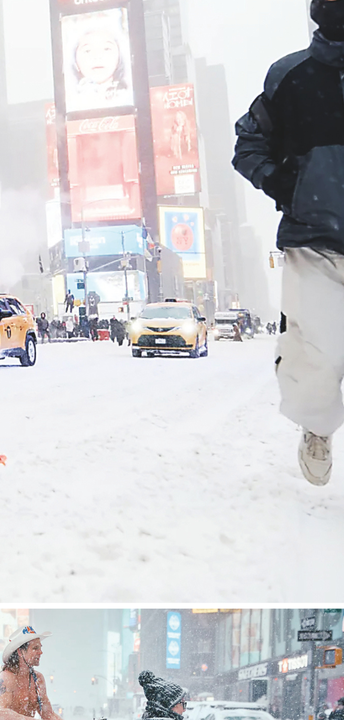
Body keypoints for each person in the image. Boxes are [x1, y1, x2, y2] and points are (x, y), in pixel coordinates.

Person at [234, 0, 344, 485]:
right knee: (320, 353)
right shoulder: (289, 76)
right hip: (313, 237)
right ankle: (317, 427)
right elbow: (248, 143)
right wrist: (282, 184)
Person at [0, 627, 59, 720]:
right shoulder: (7, 677)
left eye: (40, 647)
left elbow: (49, 715)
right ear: (20, 651)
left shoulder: (38, 679)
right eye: (35, 648)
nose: (41, 652)